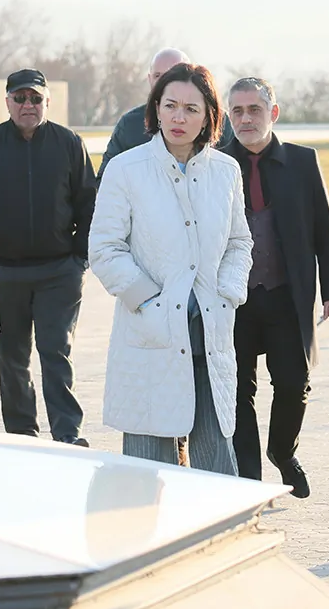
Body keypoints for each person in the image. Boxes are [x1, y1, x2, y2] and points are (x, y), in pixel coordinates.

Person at [89, 62, 252, 474]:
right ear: (156, 110)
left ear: (209, 116)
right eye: (170, 106)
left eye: (191, 109)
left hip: (210, 331)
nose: (179, 117)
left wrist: (228, 293)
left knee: (217, 464)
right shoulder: (126, 169)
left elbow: (239, 242)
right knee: (147, 471)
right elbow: (105, 248)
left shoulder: (226, 172)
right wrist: (148, 301)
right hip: (151, 333)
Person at [219, 76, 329, 498]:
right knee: (237, 392)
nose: (245, 119)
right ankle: (248, 483)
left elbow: (324, 232)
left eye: (254, 110)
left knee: (293, 383)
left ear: (273, 113)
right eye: (237, 111)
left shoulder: (302, 162)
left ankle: (282, 451)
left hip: (287, 297)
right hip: (233, 301)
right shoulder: (215, 163)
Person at [0, 68, 98, 446]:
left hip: (58, 272)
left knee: (55, 352)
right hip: (4, 272)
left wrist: (79, 259)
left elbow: (89, 203)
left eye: (36, 98)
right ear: (8, 101)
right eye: (20, 98)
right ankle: (22, 435)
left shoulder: (69, 143)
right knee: (12, 358)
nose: (28, 105)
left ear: (47, 102)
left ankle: (67, 434)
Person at [101, 48, 233, 174]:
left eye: (191, 109)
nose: (164, 82)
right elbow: (106, 178)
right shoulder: (130, 124)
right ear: (149, 79)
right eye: (158, 76)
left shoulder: (221, 122)